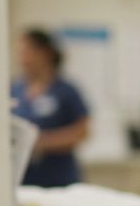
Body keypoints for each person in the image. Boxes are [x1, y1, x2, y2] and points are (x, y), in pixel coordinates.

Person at [10, 29, 91, 187]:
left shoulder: (66, 90)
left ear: (44, 53)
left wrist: (41, 142)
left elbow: (83, 132)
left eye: (26, 52)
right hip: (24, 179)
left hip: (60, 179)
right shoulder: (15, 89)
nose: (22, 59)